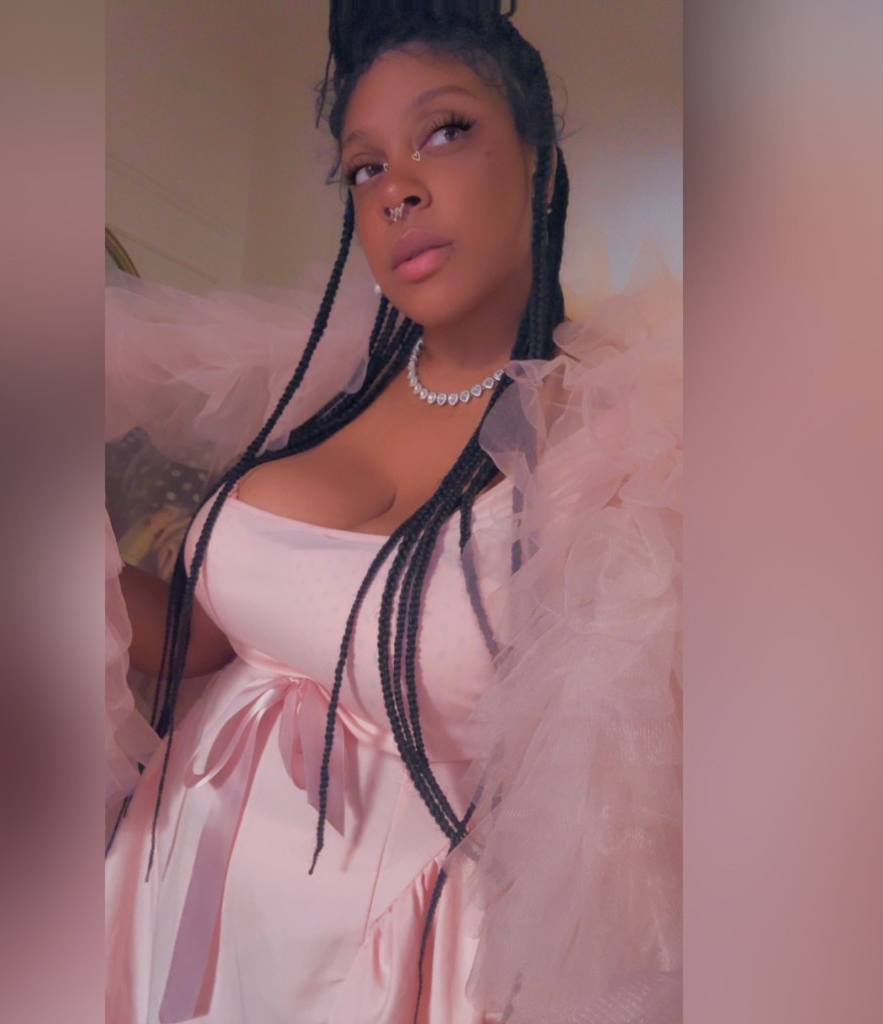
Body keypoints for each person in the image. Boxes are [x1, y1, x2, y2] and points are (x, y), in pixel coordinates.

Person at [105, 3, 682, 1022]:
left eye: (445, 131)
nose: (397, 188)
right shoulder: (319, 386)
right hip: (170, 897)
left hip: (390, 975)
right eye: (365, 166)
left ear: (538, 161)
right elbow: (206, 641)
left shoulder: (622, 439)